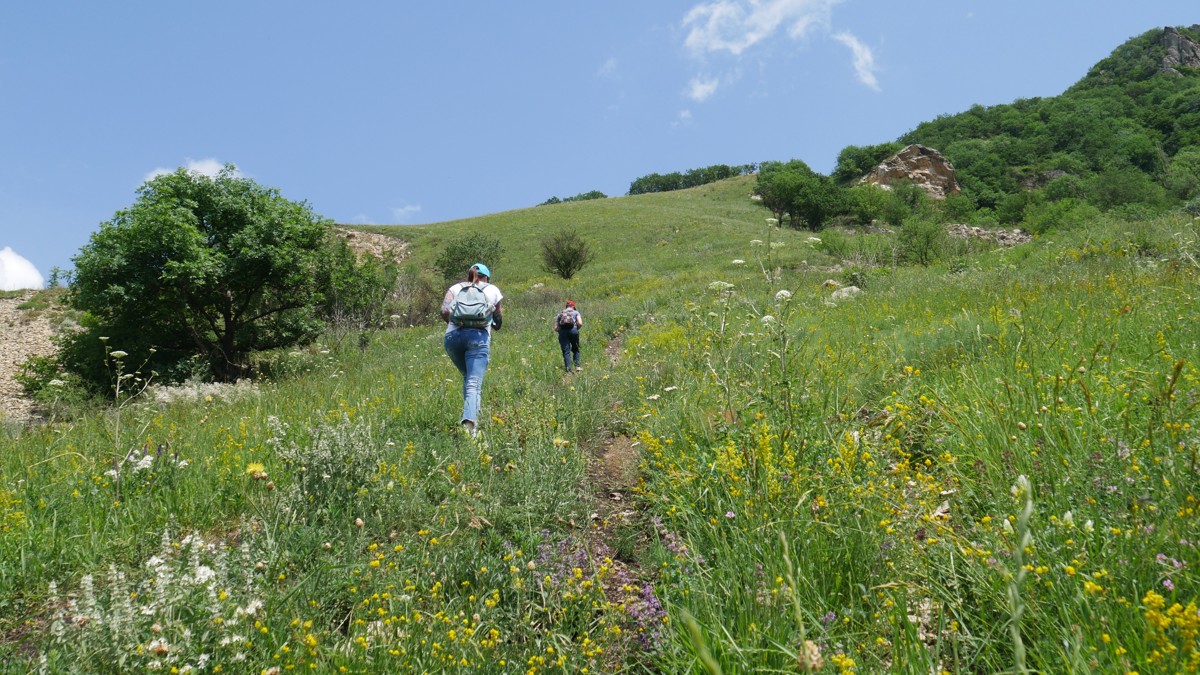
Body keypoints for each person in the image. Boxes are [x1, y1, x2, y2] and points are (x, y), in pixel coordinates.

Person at [441, 263, 503, 436]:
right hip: (478, 338)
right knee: (474, 383)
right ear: (487, 277)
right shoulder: (492, 290)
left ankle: (471, 413)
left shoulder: (455, 288)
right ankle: (470, 428)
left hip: (452, 339)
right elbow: (498, 319)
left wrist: (458, 323)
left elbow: (444, 310)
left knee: (468, 378)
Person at [552, 300, 582, 372]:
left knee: (566, 351)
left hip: (563, 333)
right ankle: (577, 366)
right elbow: (580, 323)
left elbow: (556, 328)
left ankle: (568, 368)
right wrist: (576, 329)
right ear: (573, 306)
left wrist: (561, 332)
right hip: (573, 331)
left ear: (566, 307)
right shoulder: (576, 312)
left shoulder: (561, 314)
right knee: (576, 349)